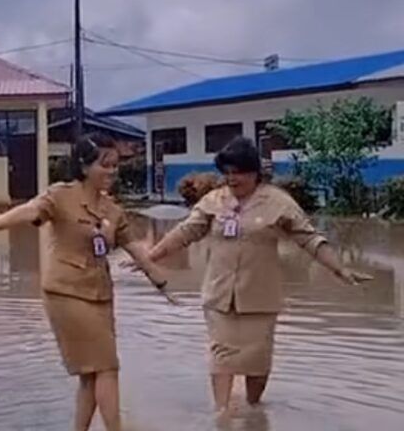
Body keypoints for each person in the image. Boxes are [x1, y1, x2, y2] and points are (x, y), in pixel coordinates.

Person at [144, 136, 372, 415]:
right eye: (227, 172)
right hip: (219, 295)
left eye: (238, 172)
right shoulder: (213, 201)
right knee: (221, 357)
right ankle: (222, 415)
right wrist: (150, 256)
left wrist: (340, 269)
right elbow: (185, 232)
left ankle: (254, 411)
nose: (231, 178)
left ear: (254, 172)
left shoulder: (278, 202)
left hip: (259, 297)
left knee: (257, 363)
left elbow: (309, 239)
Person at [0, 133, 168, 431]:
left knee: (90, 373)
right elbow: (26, 211)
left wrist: (162, 283)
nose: (111, 172)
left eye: (115, 166)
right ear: (83, 166)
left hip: (100, 295)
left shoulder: (112, 210)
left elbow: (135, 249)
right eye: (104, 165)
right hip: (66, 293)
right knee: (107, 366)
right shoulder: (60, 196)